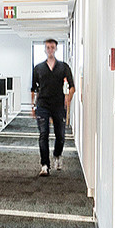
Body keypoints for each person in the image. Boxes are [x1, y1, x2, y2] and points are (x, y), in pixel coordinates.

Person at [30, 39, 76, 176]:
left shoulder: (63, 67)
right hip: (42, 104)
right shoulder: (38, 68)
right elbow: (33, 89)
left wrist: (68, 99)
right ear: (45, 49)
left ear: (56, 49)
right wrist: (33, 106)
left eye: (52, 47)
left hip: (58, 104)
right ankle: (44, 165)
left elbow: (72, 87)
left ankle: (57, 155)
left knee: (60, 135)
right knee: (43, 134)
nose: (50, 50)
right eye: (48, 47)